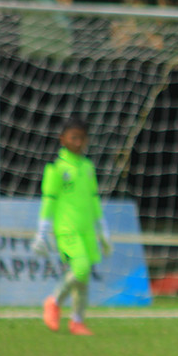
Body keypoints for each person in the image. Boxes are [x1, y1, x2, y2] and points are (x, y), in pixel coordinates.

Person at [32, 117, 112, 336]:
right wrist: (42, 233)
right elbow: (49, 200)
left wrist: (103, 231)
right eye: (73, 137)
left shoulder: (87, 167)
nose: (78, 142)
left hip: (87, 229)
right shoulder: (56, 168)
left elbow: (94, 200)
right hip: (66, 229)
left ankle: (77, 321)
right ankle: (54, 301)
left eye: (82, 138)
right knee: (82, 267)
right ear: (63, 139)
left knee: (83, 278)